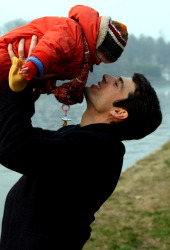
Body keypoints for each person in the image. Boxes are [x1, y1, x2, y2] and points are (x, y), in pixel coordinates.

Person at [0, 38, 162, 250]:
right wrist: (31, 85)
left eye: (117, 83)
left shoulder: (99, 151)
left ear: (119, 112)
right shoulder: (83, 138)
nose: (107, 76)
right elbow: (14, 135)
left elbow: (13, 148)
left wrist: (18, 89)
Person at [0, 4, 128, 105]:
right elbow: (51, 46)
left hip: (17, 73)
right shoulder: (70, 29)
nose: (97, 62)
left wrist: (41, 86)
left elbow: (54, 70)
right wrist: (35, 63)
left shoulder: (79, 61)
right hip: (9, 55)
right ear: (98, 44)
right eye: (99, 58)